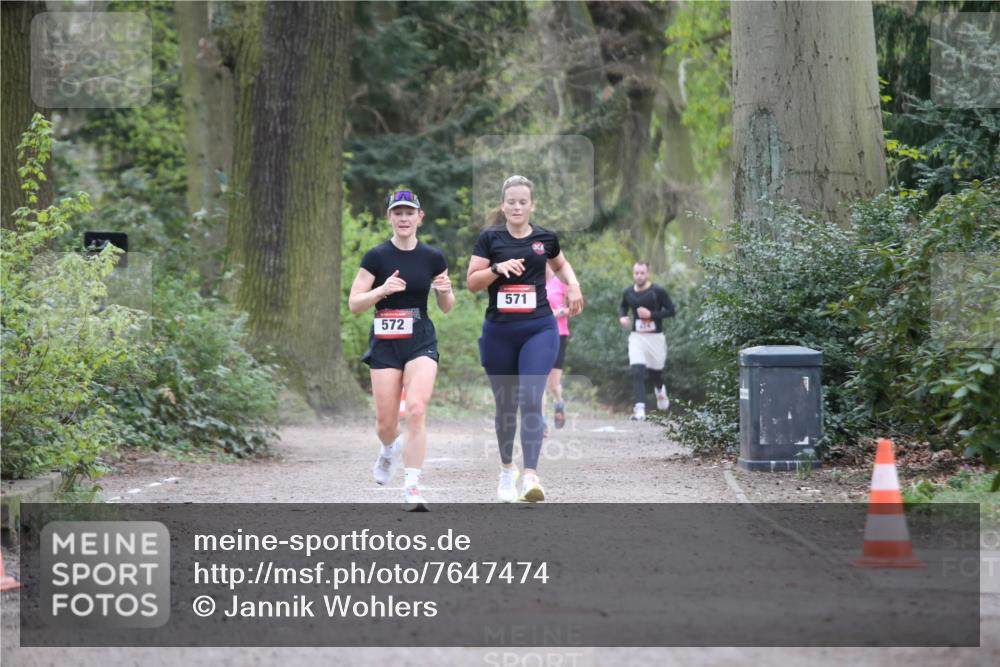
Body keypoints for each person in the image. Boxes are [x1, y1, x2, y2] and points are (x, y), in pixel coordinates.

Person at [467, 175, 584, 503]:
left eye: (523, 202)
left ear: (532, 205)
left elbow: (562, 265)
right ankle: (507, 470)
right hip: (499, 332)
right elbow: (472, 283)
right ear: (503, 205)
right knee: (505, 404)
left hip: (539, 328)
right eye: (511, 202)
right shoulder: (489, 238)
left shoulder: (545, 238)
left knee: (531, 398)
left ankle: (531, 475)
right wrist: (497, 269)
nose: (517, 207)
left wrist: (573, 285)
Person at [348, 190, 454, 511]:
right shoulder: (376, 257)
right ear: (389, 218)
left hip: (421, 336)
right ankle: (387, 449)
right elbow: (354, 304)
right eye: (398, 213)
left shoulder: (433, 257)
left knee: (417, 409)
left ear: (420, 217)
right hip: (385, 338)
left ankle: (412, 486)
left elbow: (447, 307)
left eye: (410, 213)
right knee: (385, 424)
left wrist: (444, 293)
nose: (404, 218)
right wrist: (381, 290)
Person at [618, 261, 675, 421]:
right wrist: (622, 317)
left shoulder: (658, 291)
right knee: (637, 371)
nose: (639, 276)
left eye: (642, 273)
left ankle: (660, 391)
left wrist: (651, 315)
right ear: (633, 274)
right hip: (637, 337)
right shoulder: (628, 292)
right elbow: (623, 306)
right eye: (636, 273)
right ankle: (640, 409)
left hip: (655, 338)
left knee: (655, 374)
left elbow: (671, 311)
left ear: (647, 273)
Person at [544, 264, 574, 431]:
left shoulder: (561, 283)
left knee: (552, 384)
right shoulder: (534, 284)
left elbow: (575, 307)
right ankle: (541, 423)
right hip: (538, 335)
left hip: (559, 334)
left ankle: (559, 403)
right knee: (538, 381)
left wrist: (559, 312)